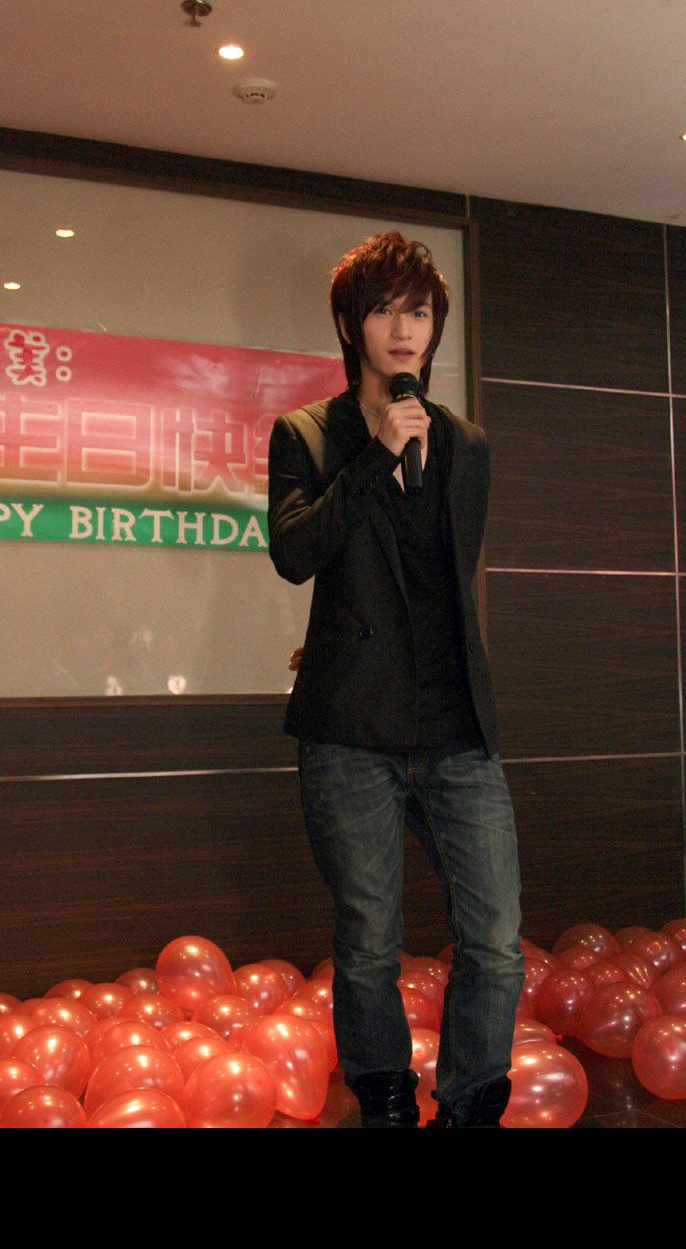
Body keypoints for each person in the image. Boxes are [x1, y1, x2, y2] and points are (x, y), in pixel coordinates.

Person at [267, 231, 524, 1128]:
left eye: (419, 312)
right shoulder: (308, 433)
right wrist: (375, 455)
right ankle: (383, 1101)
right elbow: (295, 552)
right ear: (350, 325)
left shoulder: (467, 445)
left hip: (456, 724)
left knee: (495, 937)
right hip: (351, 730)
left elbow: (442, 581)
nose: (404, 328)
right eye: (383, 310)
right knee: (369, 940)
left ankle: (470, 1104)